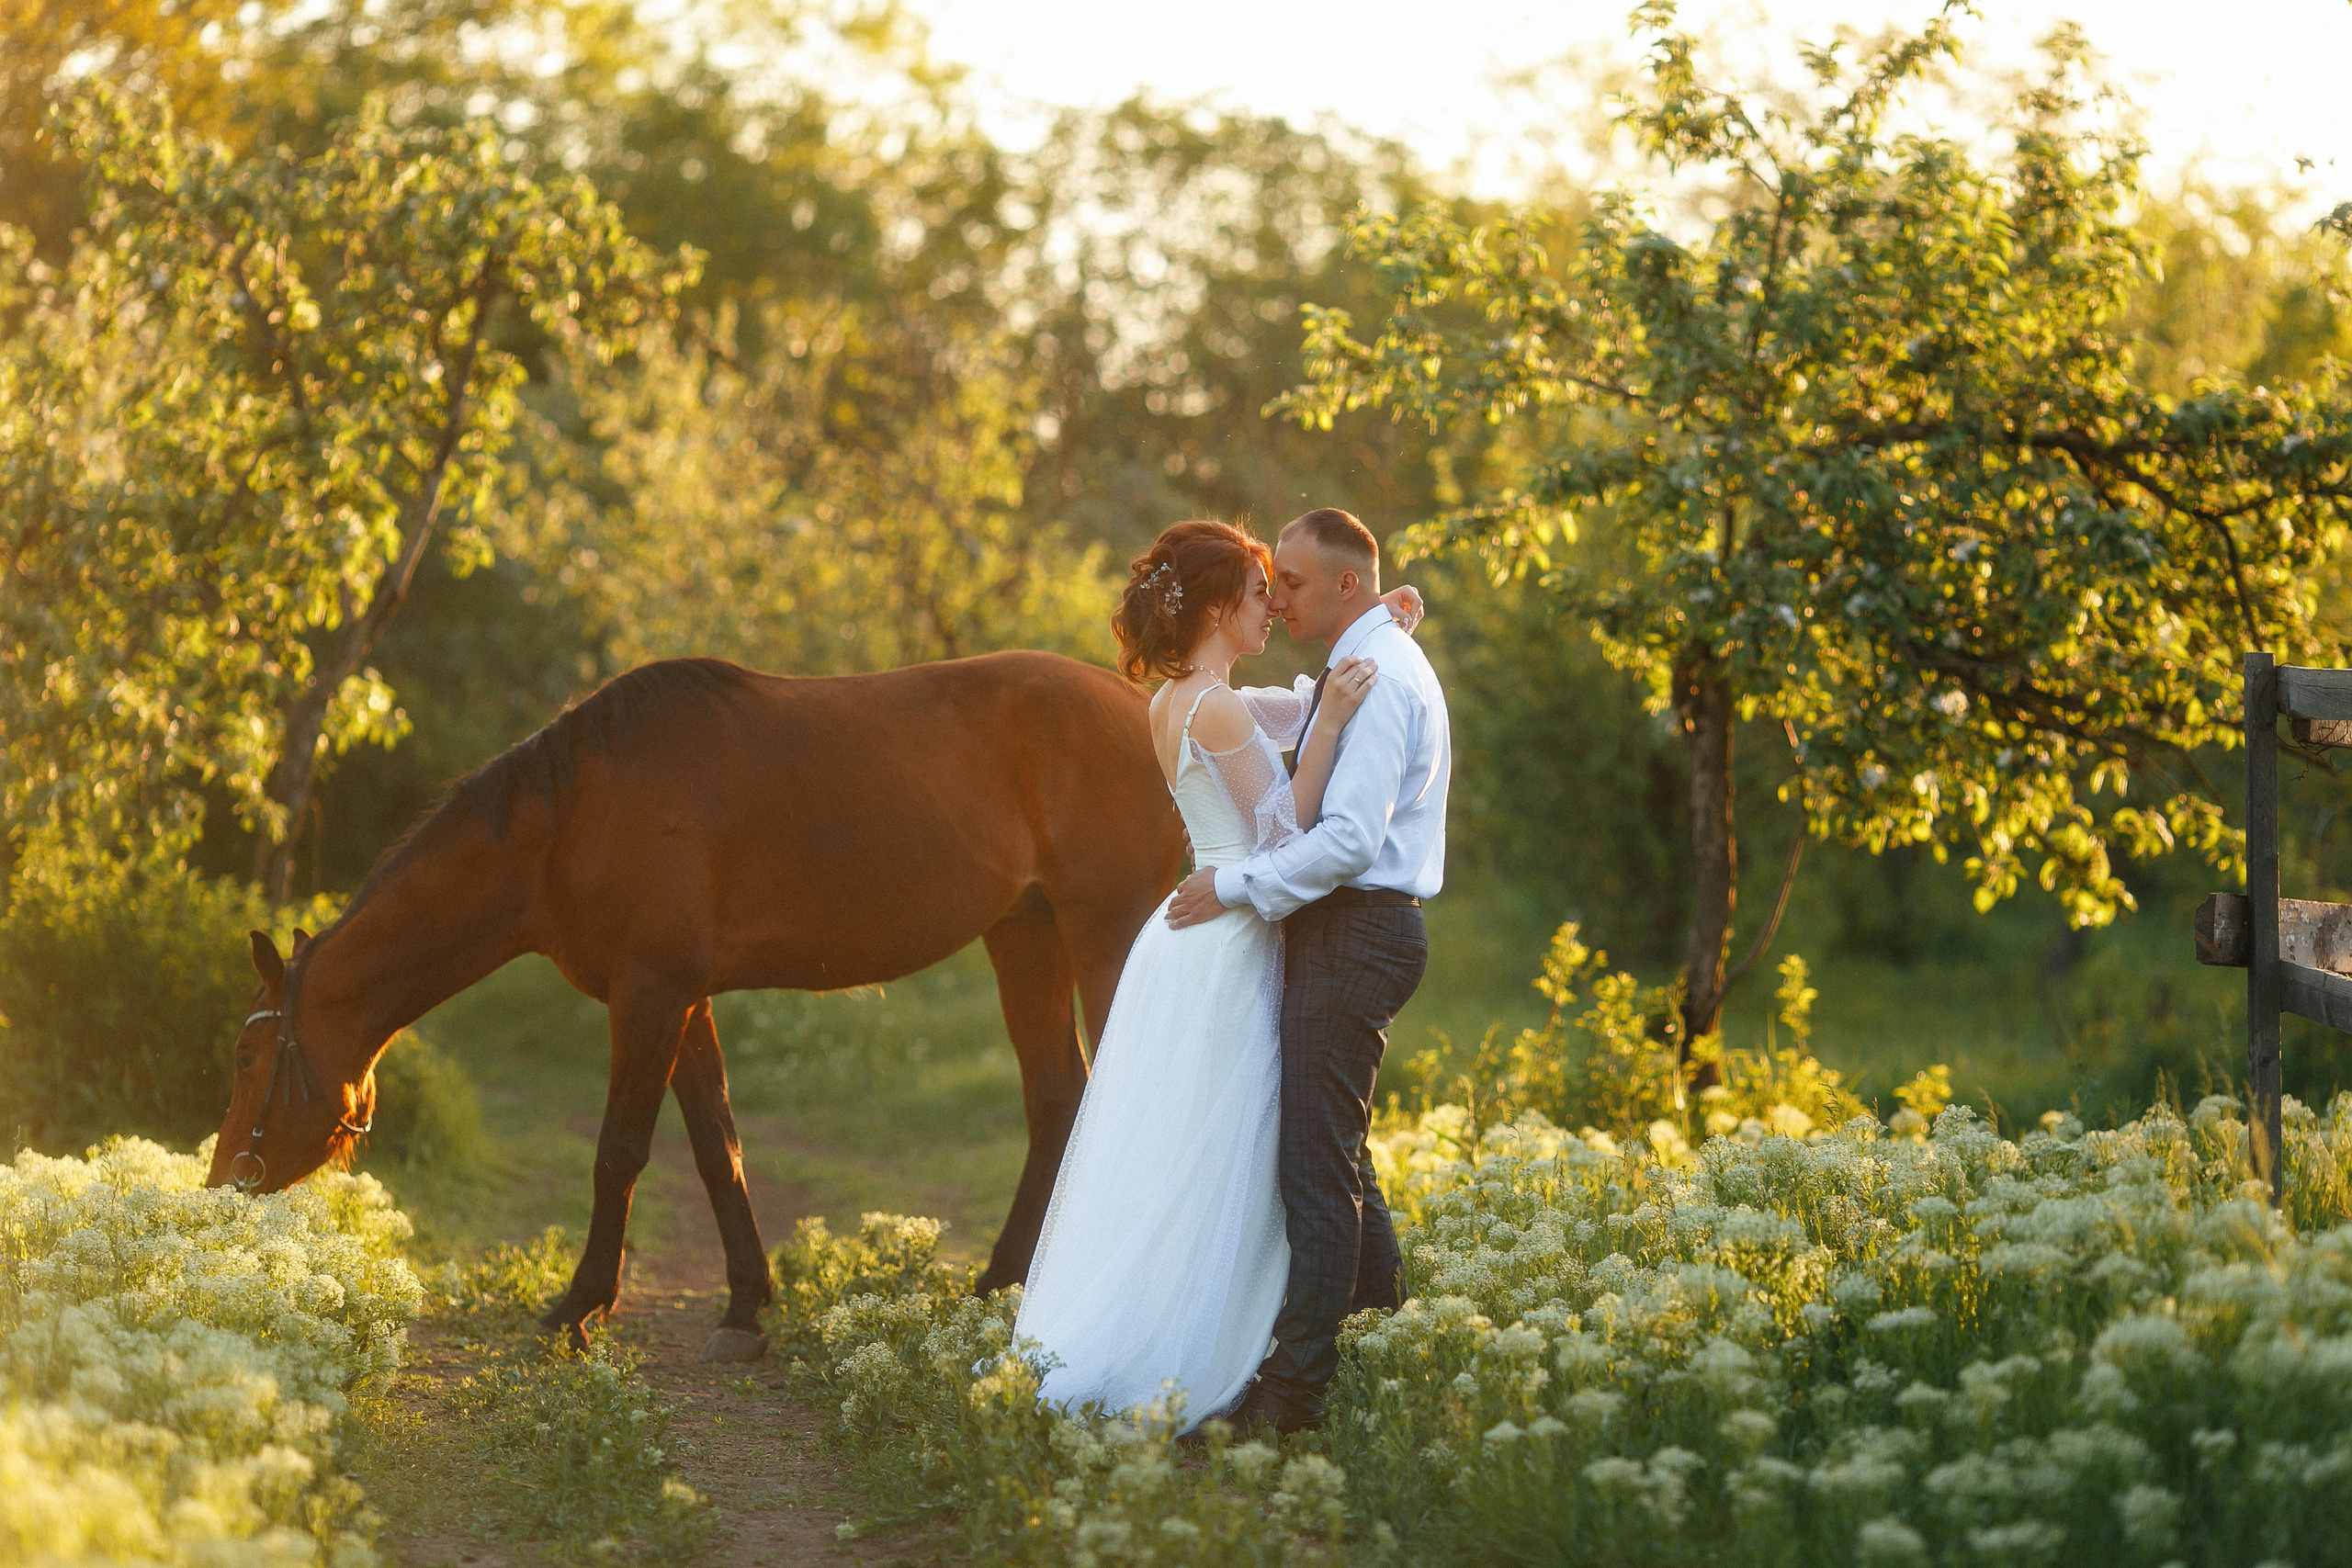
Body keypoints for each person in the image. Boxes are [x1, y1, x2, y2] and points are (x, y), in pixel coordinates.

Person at [1009, 518, 1424, 1432]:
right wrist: (1336, 728)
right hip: (1229, 932)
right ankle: (1218, 1339)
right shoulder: (1216, 708)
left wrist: (1382, 628)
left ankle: (1321, 1312)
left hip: (1192, 930)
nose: (1272, 604)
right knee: (1236, 1140)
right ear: (1213, 607)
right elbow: (1283, 836)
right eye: (1255, 591)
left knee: (1208, 1137)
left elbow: (1297, 708)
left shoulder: (1188, 699)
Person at [1165, 506, 1451, 1437]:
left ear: (1345, 585)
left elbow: (1344, 841)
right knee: (1339, 1155)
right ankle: (1384, 1338)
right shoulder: (1362, 658)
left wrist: (1235, 883)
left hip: (1356, 927)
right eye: (1267, 582)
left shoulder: (1379, 680)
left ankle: (1292, 1395)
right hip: (1345, 929)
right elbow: (1296, 719)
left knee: (1314, 1173)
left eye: (1289, 581)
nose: (1275, 594)